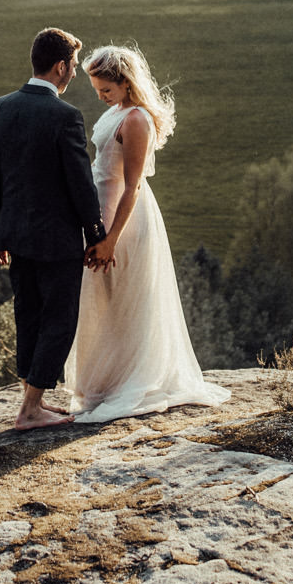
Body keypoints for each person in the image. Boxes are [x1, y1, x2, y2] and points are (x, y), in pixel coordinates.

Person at [65, 43, 230, 424]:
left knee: (124, 298)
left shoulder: (136, 120)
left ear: (125, 83)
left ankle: (126, 381)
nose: (102, 97)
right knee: (100, 299)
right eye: (97, 91)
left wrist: (110, 239)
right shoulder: (117, 112)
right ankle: (102, 384)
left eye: (107, 90)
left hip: (125, 220)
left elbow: (132, 186)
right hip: (100, 213)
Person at [0, 27, 108, 430]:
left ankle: (30, 401)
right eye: (71, 67)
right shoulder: (65, 116)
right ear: (60, 66)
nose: (72, 75)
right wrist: (96, 233)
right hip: (56, 240)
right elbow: (80, 184)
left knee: (28, 314)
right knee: (59, 318)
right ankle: (31, 409)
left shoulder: (0, 107)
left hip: (14, 236)